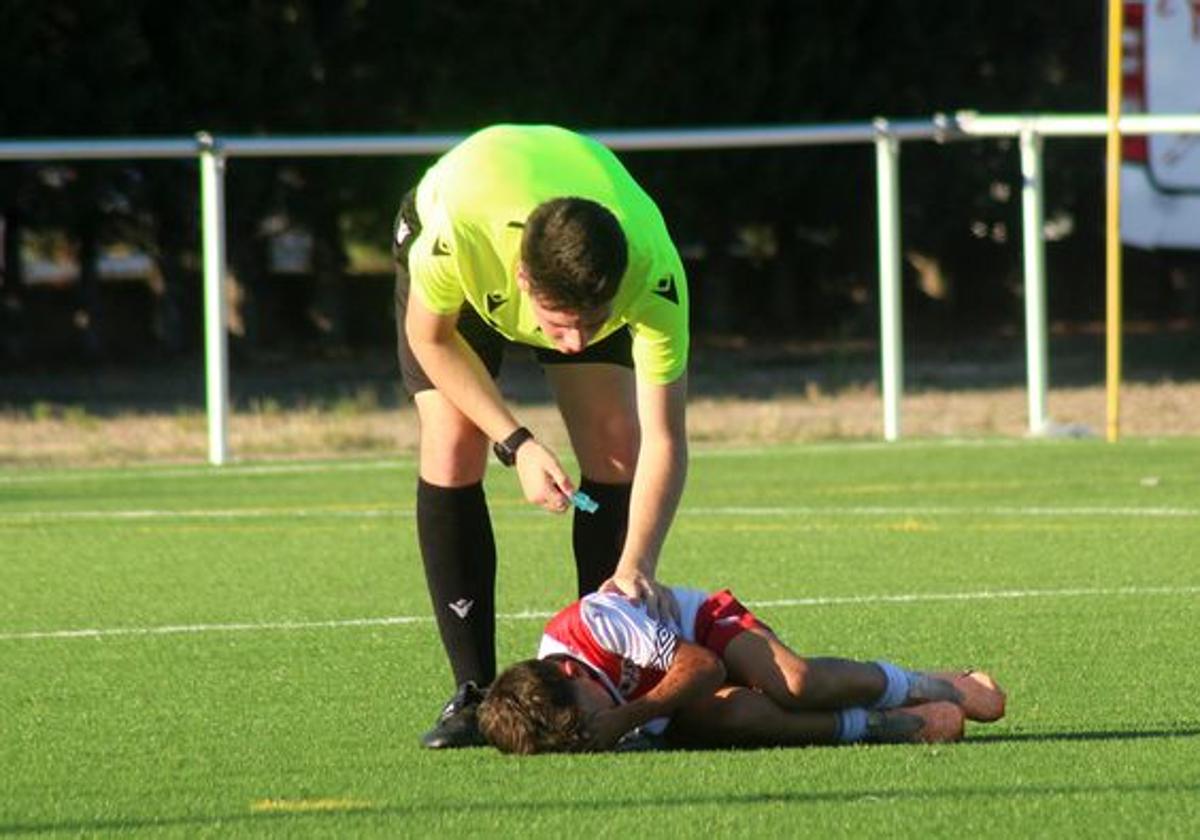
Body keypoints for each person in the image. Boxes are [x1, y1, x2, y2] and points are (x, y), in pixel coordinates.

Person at [392, 125, 690, 748]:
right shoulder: (458, 236)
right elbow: (431, 339)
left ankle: (605, 670)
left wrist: (637, 564)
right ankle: (471, 694)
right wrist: (518, 443)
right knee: (451, 442)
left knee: (615, 443)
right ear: (526, 286)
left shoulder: (651, 271)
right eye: (560, 325)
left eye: (592, 323)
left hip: (584, 248)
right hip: (463, 249)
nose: (576, 342)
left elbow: (665, 439)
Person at [478, 586, 1006, 753]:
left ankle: (921, 685)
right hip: (677, 702)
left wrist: (626, 717)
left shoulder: (593, 622)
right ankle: (878, 726)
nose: (593, 728)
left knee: (796, 683)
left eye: (588, 720)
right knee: (736, 717)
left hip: (702, 632)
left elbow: (702, 667)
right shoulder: (563, 712)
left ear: (573, 675)